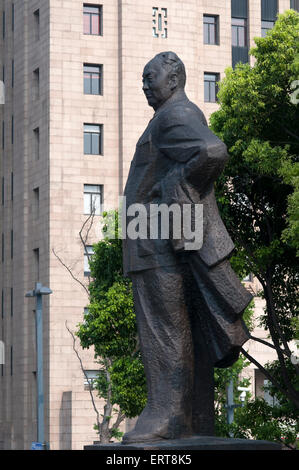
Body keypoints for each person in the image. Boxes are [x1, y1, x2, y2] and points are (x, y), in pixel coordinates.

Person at [122, 52, 252, 444]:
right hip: (157, 240)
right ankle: (191, 417)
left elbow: (211, 151)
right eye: (143, 78)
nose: (145, 83)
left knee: (164, 332)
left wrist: (173, 184)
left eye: (151, 77)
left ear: (174, 78)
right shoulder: (166, 117)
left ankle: (168, 415)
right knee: (182, 330)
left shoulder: (175, 115)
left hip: (158, 242)